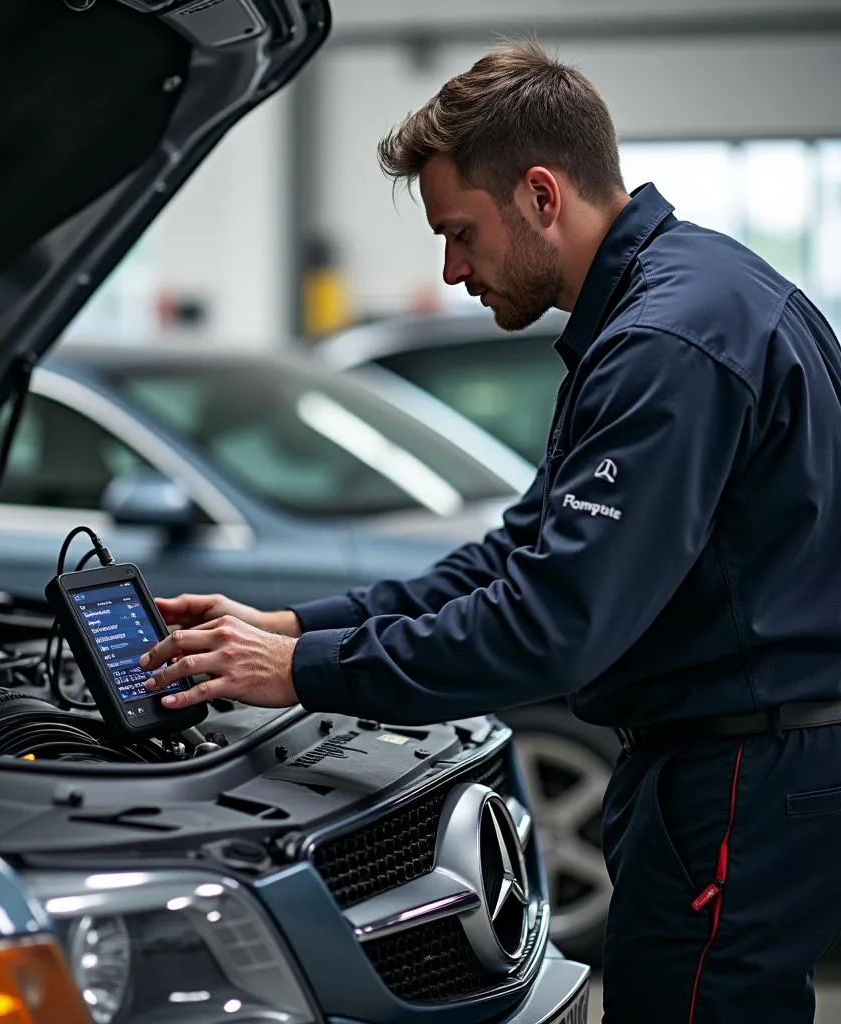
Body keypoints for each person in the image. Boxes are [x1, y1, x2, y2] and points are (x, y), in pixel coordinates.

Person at [138, 40, 841, 1024]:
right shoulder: (681, 298)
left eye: (459, 231)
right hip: (734, 761)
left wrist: (302, 675)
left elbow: (551, 623)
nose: (451, 266)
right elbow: (517, 555)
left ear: (542, 195)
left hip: (736, 776)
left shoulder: (663, 344)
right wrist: (294, 626)